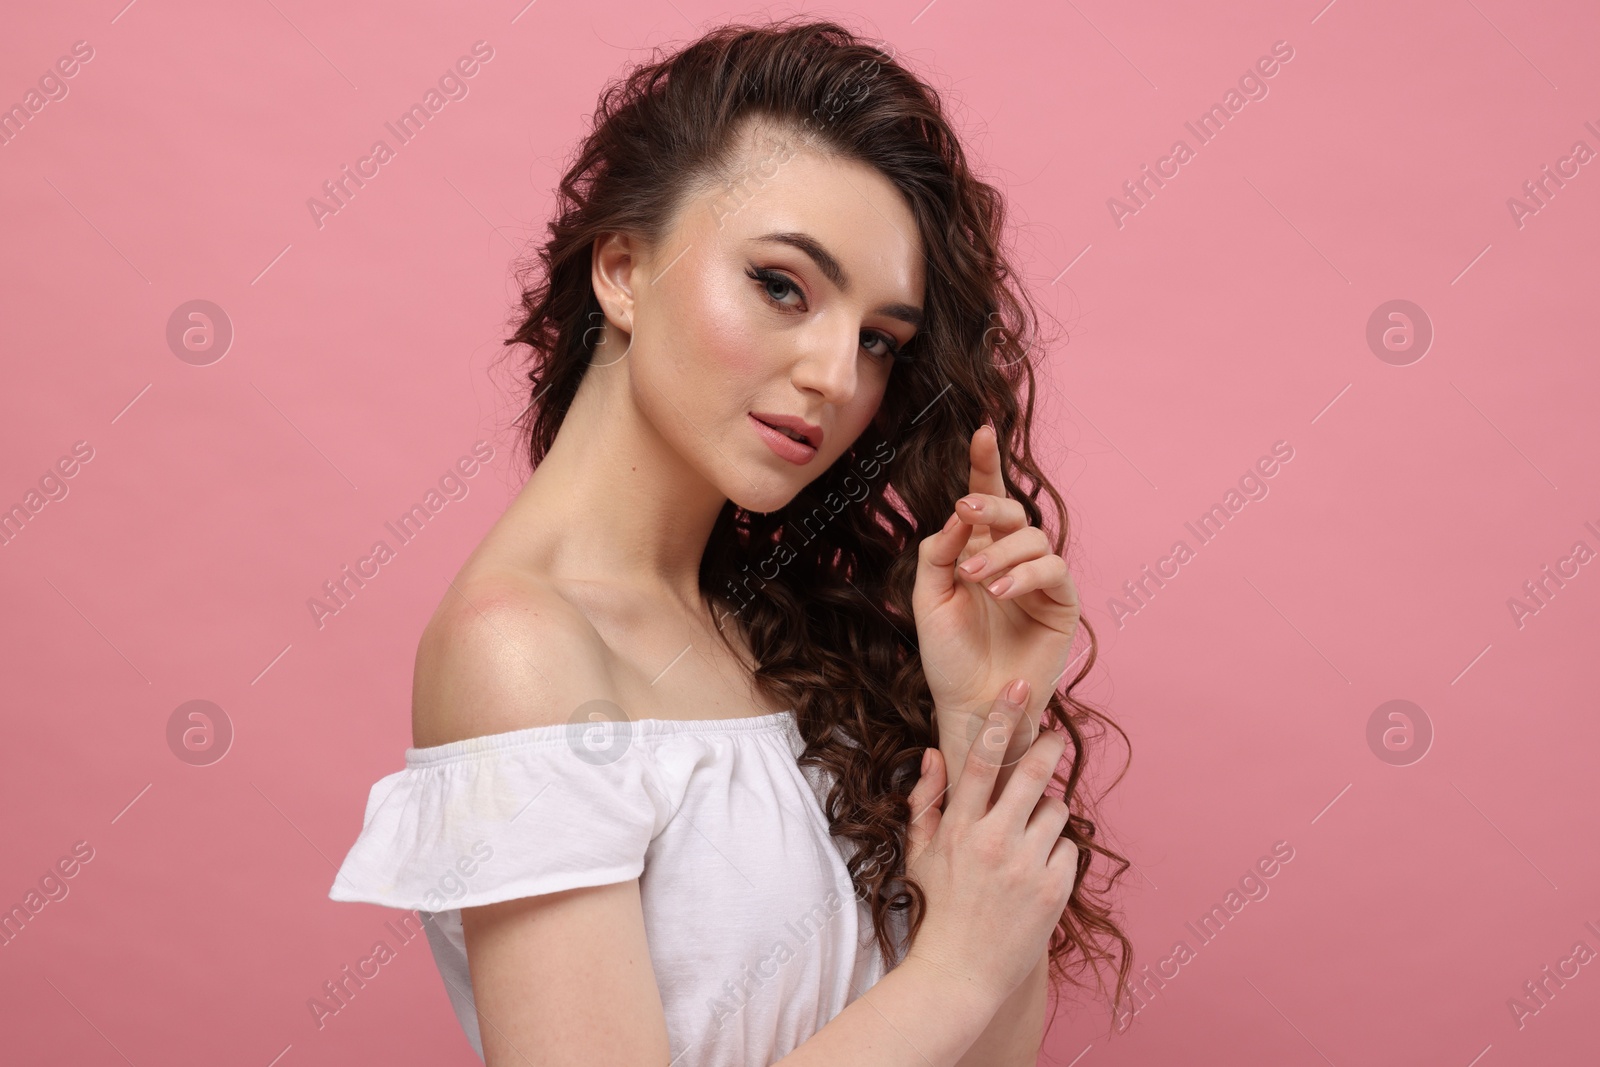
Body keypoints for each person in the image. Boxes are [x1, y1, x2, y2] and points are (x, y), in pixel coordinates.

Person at [329, 16, 1133, 1065]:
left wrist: (988, 719)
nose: (836, 375)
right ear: (623, 269)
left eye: (878, 340)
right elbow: (956, 990)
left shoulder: (780, 629)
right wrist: (955, 968)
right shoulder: (517, 647)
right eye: (781, 285)